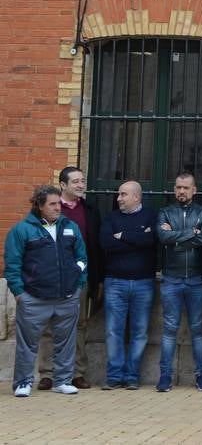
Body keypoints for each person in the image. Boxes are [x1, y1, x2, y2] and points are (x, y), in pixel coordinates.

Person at [5, 184, 87, 397]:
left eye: (58, 203)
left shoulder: (71, 227)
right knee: (27, 344)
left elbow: (82, 257)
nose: (58, 208)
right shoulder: (22, 230)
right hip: (33, 298)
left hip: (67, 296)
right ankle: (23, 382)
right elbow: (13, 264)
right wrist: (19, 293)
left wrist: (78, 282)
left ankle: (62, 380)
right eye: (52, 204)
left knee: (66, 342)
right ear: (39, 206)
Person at [35, 166, 101, 391]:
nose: (81, 185)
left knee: (79, 324)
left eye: (83, 180)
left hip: (78, 278)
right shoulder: (48, 210)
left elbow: (95, 248)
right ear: (63, 185)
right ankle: (47, 373)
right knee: (48, 325)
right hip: (49, 278)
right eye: (76, 181)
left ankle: (77, 373)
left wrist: (95, 279)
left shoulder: (90, 211)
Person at [156, 172, 202, 392]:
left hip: (197, 279)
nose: (181, 191)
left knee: (198, 329)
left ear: (194, 190)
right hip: (171, 277)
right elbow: (163, 238)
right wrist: (191, 232)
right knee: (169, 328)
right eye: (178, 187)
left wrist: (177, 238)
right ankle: (164, 377)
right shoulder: (165, 211)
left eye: (186, 188)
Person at [99, 179, 157, 390]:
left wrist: (123, 236)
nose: (119, 198)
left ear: (136, 197)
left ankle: (132, 376)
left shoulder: (151, 216)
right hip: (115, 282)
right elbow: (106, 243)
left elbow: (150, 241)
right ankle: (114, 377)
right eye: (119, 194)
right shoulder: (111, 217)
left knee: (139, 332)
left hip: (144, 283)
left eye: (123, 194)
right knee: (113, 331)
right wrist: (137, 239)